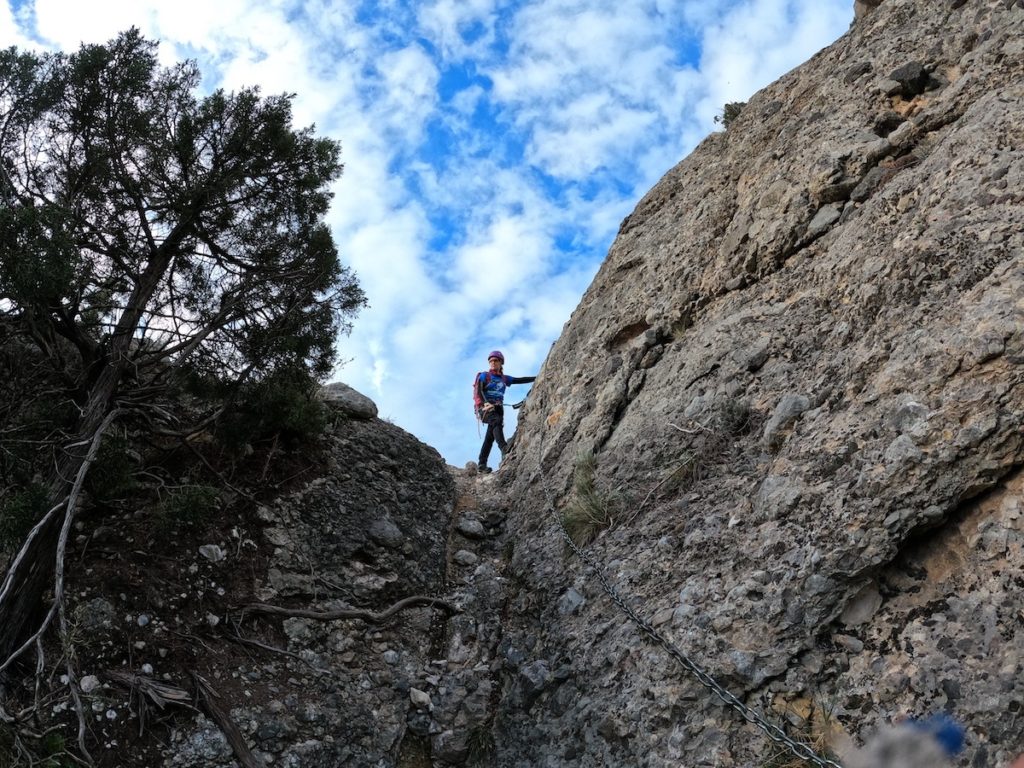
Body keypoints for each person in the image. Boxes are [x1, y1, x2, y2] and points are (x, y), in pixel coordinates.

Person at [476, 350, 535, 473]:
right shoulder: (484, 376)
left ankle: (482, 464)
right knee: (496, 421)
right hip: (485, 407)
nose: (492, 362)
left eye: (495, 360)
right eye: (490, 361)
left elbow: (520, 380)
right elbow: (479, 391)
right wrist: (486, 403)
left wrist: (536, 377)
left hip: (498, 407)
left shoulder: (504, 378)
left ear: (501, 363)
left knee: (490, 436)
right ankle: (503, 447)